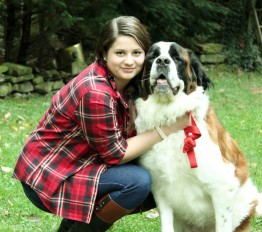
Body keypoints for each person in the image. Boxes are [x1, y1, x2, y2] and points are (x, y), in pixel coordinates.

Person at [12, 16, 191, 232]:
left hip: (85, 163)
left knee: (161, 178)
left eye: (136, 53)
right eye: (120, 53)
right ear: (104, 54)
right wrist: (168, 128)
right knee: (139, 182)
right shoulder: (96, 92)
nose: (129, 61)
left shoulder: (134, 82)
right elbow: (116, 154)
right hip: (51, 175)